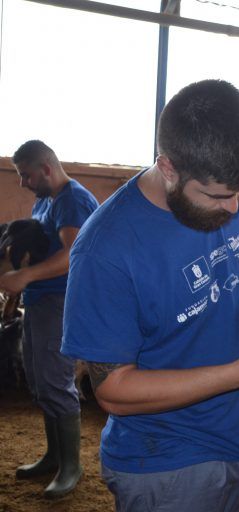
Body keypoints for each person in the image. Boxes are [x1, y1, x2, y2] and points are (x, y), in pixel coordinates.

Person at [60, 79, 239, 512]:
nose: (234, 208)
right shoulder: (106, 249)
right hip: (165, 460)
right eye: (219, 196)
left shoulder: (228, 189)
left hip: (236, 438)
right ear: (168, 168)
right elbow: (113, 389)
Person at [0, 140, 98, 499]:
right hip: (42, 300)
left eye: (25, 175)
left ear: (46, 168)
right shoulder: (46, 201)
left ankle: (71, 466)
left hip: (62, 301)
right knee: (40, 379)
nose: (22, 183)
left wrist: (24, 277)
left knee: (56, 380)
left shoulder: (72, 199)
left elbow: (75, 255)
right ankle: (54, 456)